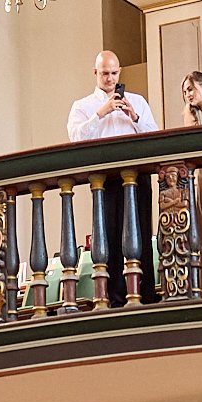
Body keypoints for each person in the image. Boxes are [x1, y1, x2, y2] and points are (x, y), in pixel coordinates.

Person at [67, 51, 157, 305]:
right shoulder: (82, 106)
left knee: (140, 234)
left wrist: (135, 118)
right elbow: (76, 138)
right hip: (104, 182)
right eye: (104, 73)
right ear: (95, 73)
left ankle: (145, 294)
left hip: (137, 179)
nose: (109, 78)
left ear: (120, 73)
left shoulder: (137, 102)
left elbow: (155, 136)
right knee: (110, 236)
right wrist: (101, 113)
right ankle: (115, 299)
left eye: (114, 73)